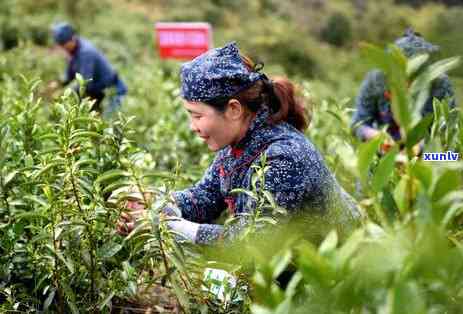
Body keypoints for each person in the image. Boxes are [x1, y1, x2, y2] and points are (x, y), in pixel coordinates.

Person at [116, 42, 361, 245]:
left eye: (197, 115)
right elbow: (205, 197)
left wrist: (167, 227)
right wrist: (154, 203)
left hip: (339, 278)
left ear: (233, 109)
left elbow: (250, 242)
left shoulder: (283, 156)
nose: (192, 126)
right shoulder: (238, 144)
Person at [351, 29, 456, 146]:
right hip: (387, 152)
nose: (407, 85)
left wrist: (421, 149)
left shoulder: (440, 83)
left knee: (450, 157)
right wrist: (378, 137)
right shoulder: (376, 81)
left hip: (429, 153)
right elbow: (357, 124)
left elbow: (449, 131)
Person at [50, 22, 127, 117]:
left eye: (63, 44)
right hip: (99, 92)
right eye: (60, 45)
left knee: (109, 124)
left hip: (112, 91)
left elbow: (85, 84)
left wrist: (64, 95)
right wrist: (58, 83)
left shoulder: (86, 53)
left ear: (72, 39)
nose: (62, 48)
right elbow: (69, 74)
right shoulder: (73, 50)